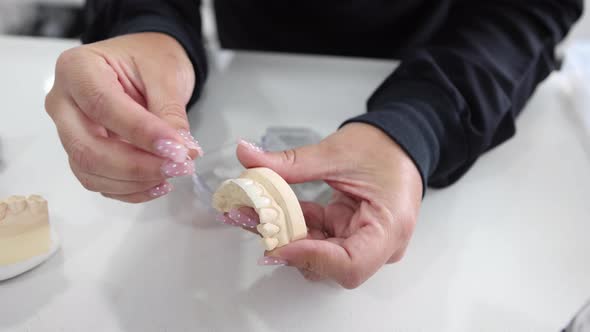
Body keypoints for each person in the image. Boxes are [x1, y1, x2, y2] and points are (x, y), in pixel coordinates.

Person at [44, 0, 583, 288]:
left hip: (449, 59)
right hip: (249, 61)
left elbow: (528, 8)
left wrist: (418, 125)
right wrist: (150, 26)